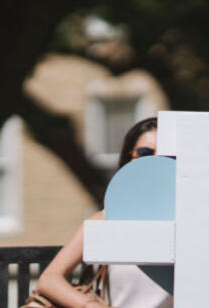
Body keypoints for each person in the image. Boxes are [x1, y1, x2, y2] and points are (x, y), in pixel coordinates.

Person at [35, 117, 172, 308]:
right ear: (128, 158)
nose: (155, 162)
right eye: (145, 153)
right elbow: (49, 279)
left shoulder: (196, 220)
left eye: (167, 156)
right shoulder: (107, 218)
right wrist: (91, 306)